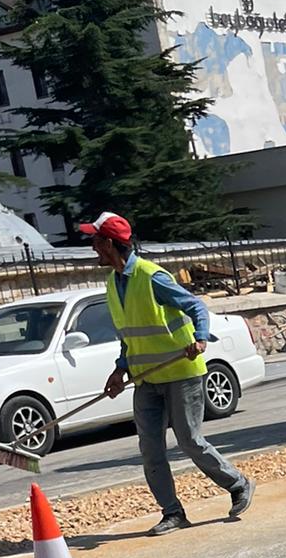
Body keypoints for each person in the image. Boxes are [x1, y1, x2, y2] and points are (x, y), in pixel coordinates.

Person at [80, 209, 254, 535]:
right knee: (150, 449)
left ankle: (238, 483)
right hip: (146, 378)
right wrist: (120, 370)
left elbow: (196, 306)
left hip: (182, 370)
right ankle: (172, 512)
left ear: (109, 243)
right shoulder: (113, 283)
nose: (92, 246)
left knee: (189, 441)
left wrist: (200, 337)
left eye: (95, 240)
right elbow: (129, 335)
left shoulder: (151, 276)